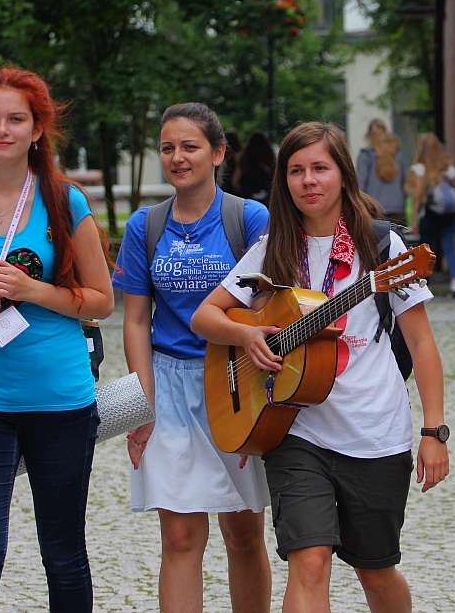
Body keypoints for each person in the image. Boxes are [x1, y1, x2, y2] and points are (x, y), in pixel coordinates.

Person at [192, 120, 450, 613]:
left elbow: (421, 344)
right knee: (308, 563)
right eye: (296, 171)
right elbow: (206, 315)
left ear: (343, 175)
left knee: (375, 572)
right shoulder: (273, 247)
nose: (308, 180)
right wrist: (246, 334)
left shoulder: (382, 248)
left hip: (375, 432)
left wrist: (434, 430)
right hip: (296, 429)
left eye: (320, 168)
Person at [0, 66, 115, 612]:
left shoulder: (64, 201)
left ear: (37, 130)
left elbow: (102, 299)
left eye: (16, 119)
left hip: (60, 401)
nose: (2, 129)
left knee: (61, 552)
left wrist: (34, 291)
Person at [112, 103, 272, 612]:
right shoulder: (145, 225)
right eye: (167, 148)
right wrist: (142, 404)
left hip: (234, 382)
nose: (177, 157)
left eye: (189, 146)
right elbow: (136, 320)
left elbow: (269, 310)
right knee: (179, 538)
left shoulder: (248, 218)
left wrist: (260, 406)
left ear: (218, 152)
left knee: (243, 532)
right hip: (169, 387)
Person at [408, 132, 455, 297]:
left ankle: (425, 283)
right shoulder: (448, 167)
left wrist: (414, 221)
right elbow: (452, 192)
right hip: (448, 215)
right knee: (450, 248)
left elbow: (417, 197)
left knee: (426, 250)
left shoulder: (420, 169)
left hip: (430, 215)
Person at [356, 118, 407, 226]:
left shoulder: (366, 155)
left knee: (376, 242)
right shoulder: (396, 154)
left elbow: (361, 185)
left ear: (369, 135)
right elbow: (404, 183)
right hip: (397, 208)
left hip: (375, 209)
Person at [225, 131, 276, 206]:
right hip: (267, 203)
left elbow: (235, 182)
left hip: (248, 202)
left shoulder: (244, 162)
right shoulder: (271, 162)